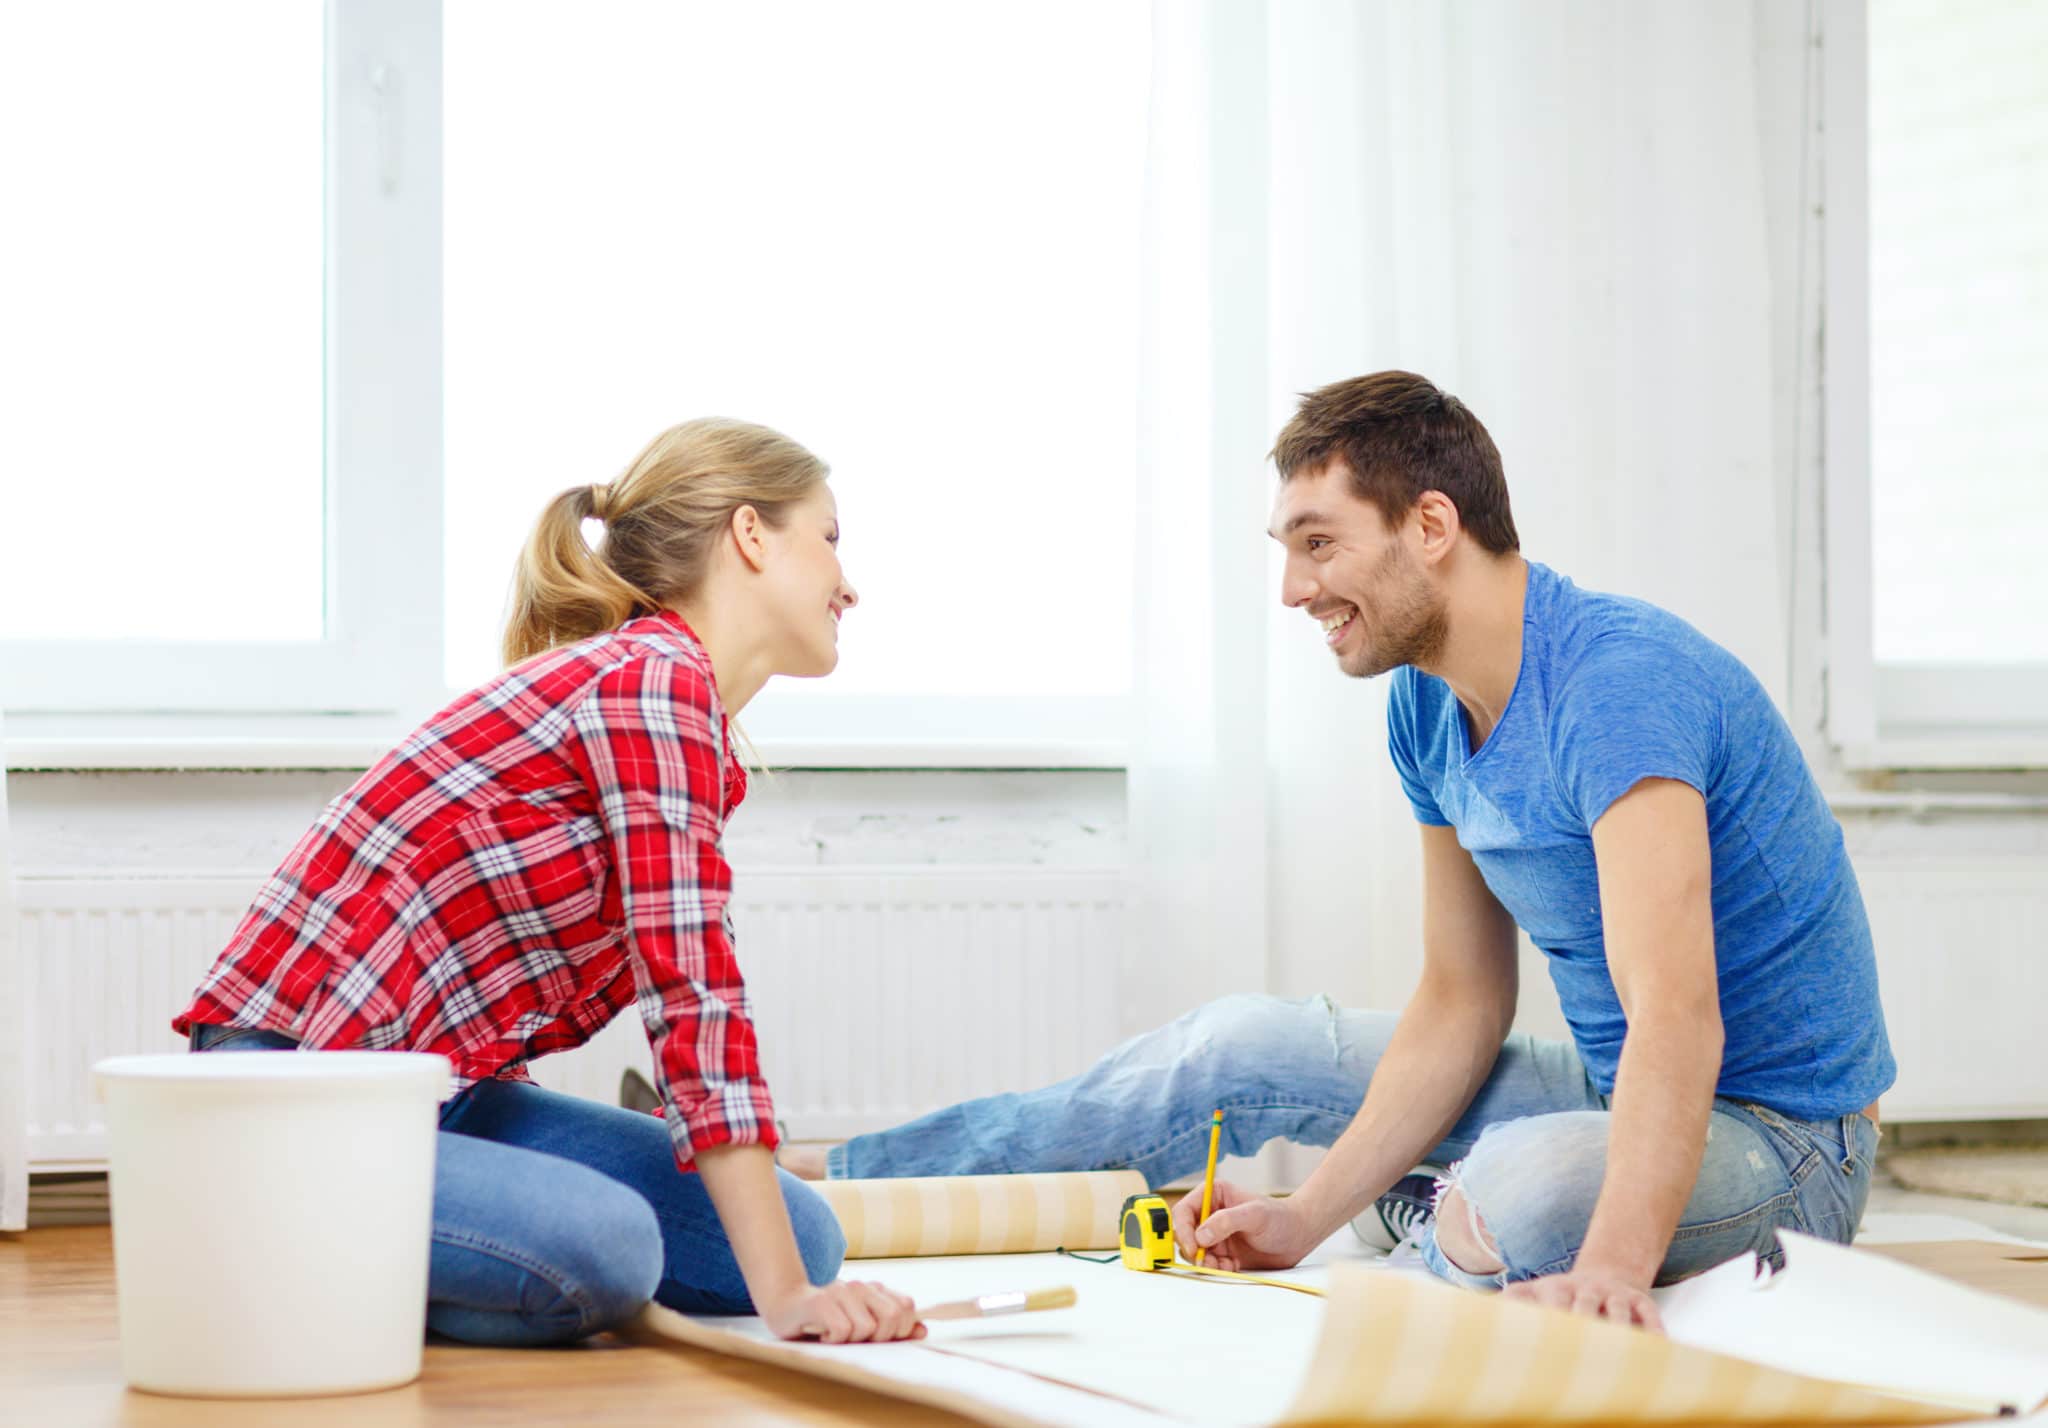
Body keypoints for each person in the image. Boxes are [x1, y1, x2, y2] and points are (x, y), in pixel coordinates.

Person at [779, 372, 1893, 1332]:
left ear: (1429, 525)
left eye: (1319, 545)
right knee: (1239, 1045)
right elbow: (1461, 1000)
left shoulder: (1615, 685)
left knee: (1524, 1186)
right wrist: (1306, 1216)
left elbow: (1676, 1016)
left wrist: (1607, 1272)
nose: (1294, 589)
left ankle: (1450, 1205)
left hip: (1783, 1144)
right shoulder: (1424, 704)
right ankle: (833, 1183)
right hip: (1619, 1096)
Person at [174, 418, 924, 1347]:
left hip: (441, 1100)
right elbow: (693, 994)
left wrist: (788, 1282)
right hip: (300, 1094)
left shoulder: (668, 701)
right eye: (830, 538)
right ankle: (264, 1230)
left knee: (803, 1236)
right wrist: (788, 1309)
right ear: (751, 534)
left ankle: (325, 1248)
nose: (848, 583)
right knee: (607, 1249)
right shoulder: (653, 682)